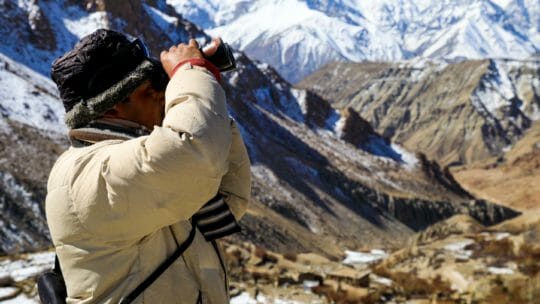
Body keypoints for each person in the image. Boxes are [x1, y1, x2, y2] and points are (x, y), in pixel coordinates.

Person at [45, 29, 251, 303]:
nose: (161, 94)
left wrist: (197, 93)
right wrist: (190, 75)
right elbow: (197, 158)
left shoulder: (141, 161)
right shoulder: (91, 169)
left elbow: (227, 199)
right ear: (112, 108)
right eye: (150, 87)